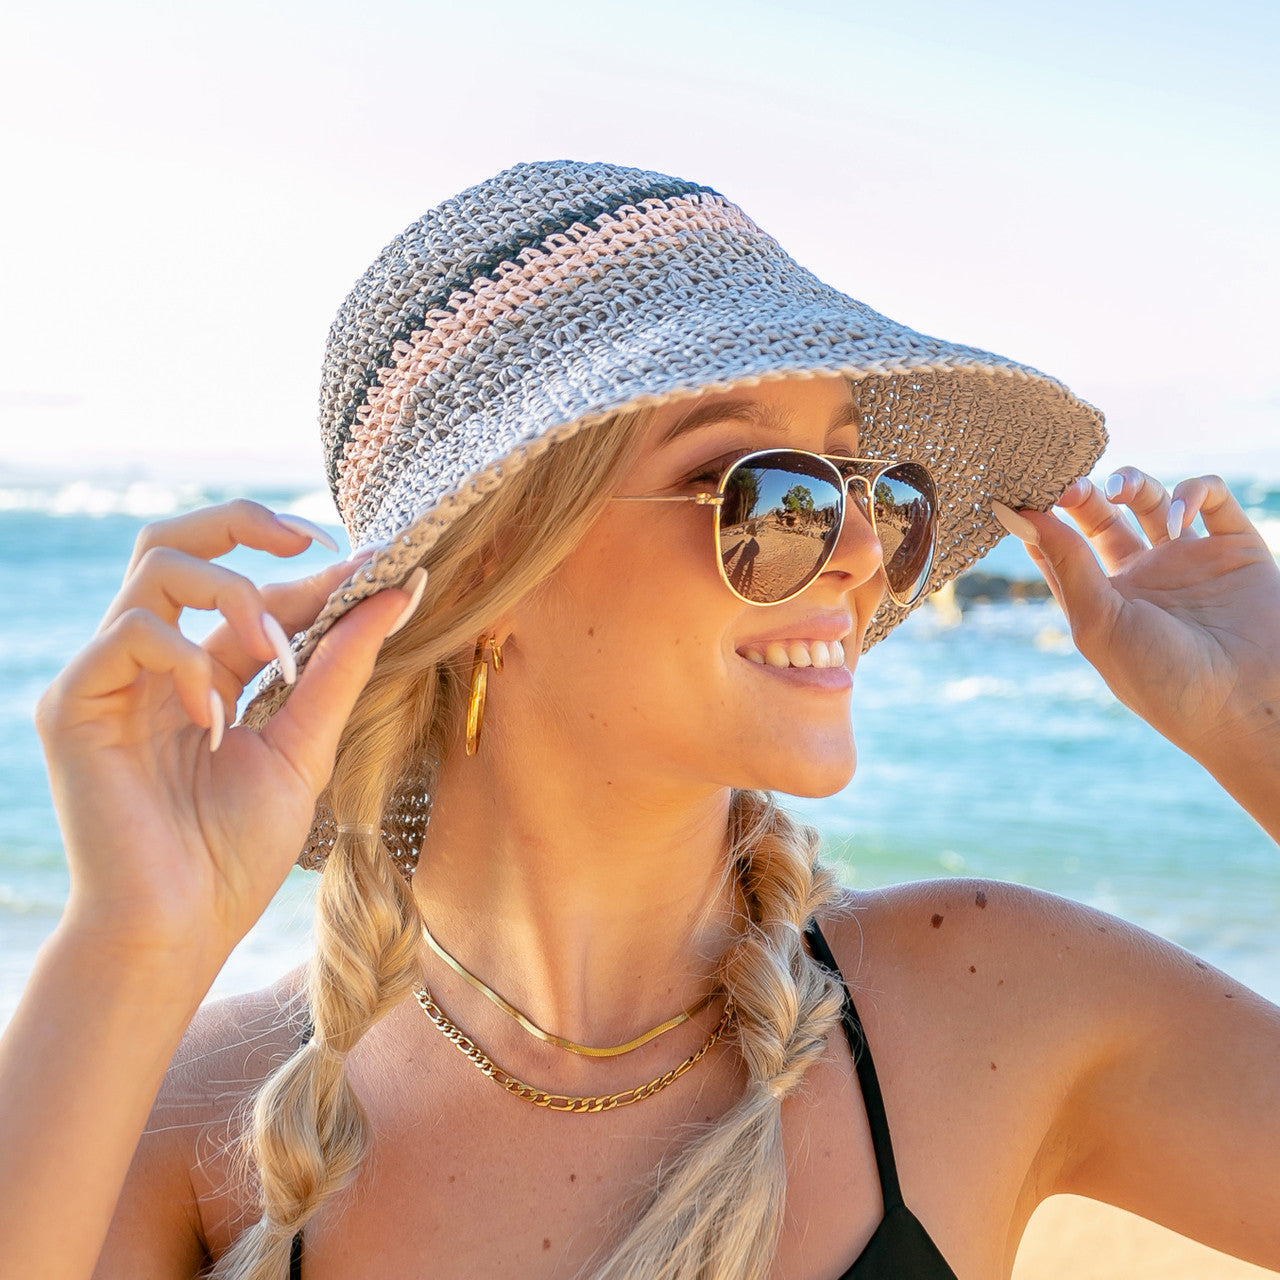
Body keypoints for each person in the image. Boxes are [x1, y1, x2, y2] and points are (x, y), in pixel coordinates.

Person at [1, 160, 1277, 1280]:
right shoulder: (194, 1125)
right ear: (498, 559)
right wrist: (130, 941)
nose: (853, 557)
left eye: (875, 491)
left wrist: (1254, 717)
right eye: (766, 494)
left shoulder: (992, 1002)